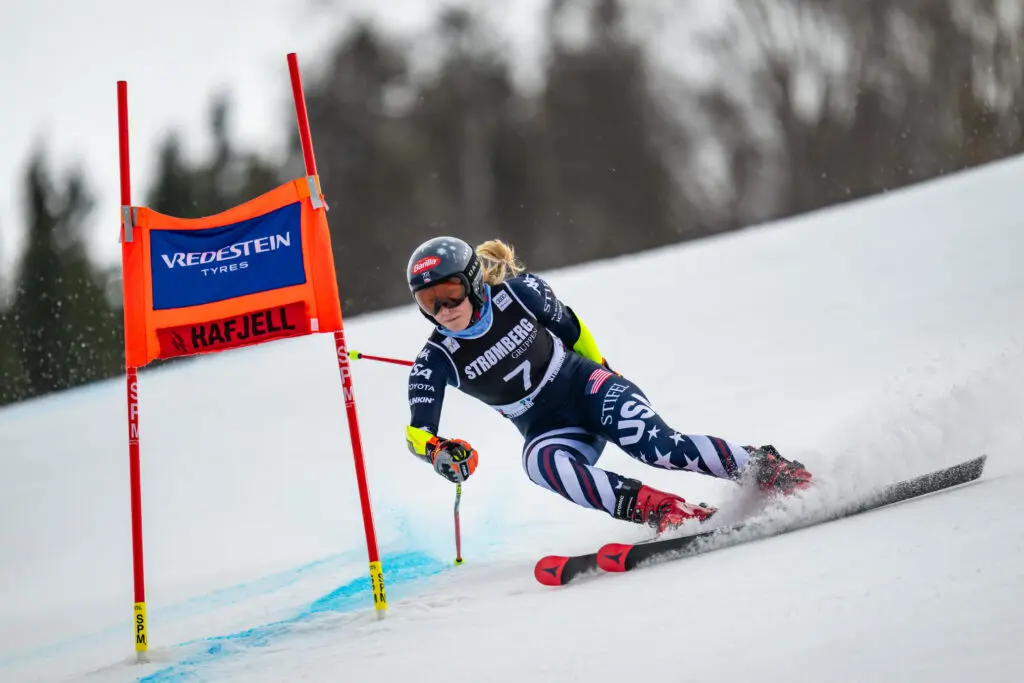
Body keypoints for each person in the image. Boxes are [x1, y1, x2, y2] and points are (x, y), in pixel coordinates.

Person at [404, 236, 811, 533]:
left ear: (473, 282)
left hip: (587, 389)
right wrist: (439, 452)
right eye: (428, 301)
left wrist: (604, 372)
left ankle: (768, 468)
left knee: (655, 446)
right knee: (540, 465)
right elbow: (417, 433)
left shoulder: (521, 294)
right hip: (549, 429)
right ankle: (664, 510)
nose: (443, 309)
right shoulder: (434, 360)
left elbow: (574, 330)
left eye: (450, 293)